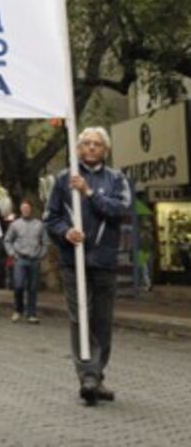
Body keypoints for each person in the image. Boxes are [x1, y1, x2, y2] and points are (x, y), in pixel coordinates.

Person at [43, 126, 131, 406]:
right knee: (80, 318)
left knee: (102, 321)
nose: (92, 147)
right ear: (79, 148)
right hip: (74, 261)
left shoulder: (116, 179)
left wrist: (89, 193)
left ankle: (97, 375)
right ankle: (88, 377)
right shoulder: (63, 179)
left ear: (105, 150)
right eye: (87, 143)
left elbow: (121, 210)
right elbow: (51, 218)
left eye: (97, 144)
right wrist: (66, 232)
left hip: (104, 261)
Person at [5, 199, 48, 323]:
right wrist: (13, 254)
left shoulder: (39, 224)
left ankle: (31, 314)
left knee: (33, 288)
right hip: (20, 259)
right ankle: (18, 310)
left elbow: (45, 242)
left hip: (34, 260)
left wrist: (41, 255)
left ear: (31, 209)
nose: (26, 210)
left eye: (27, 208)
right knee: (18, 285)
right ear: (21, 210)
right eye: (23, 208)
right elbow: (7, 240)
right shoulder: (15, 225)